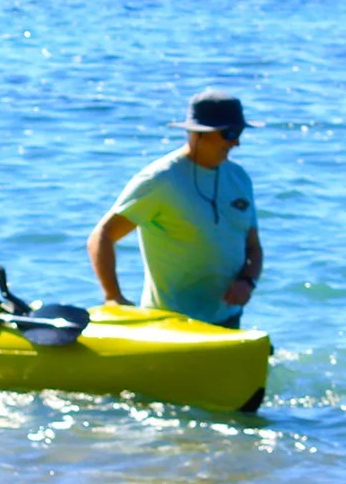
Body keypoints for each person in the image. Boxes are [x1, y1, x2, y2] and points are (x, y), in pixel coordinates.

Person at [87, 88, 262, 328]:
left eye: (239, 132)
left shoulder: (239, 178)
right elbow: (102, 236)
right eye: (229, 133)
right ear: (198, 133)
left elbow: (253, 247)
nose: (236, 142)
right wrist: (113, 297)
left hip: (228, 321)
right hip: (171, 325)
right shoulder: (160, 180)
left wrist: (247, 281)